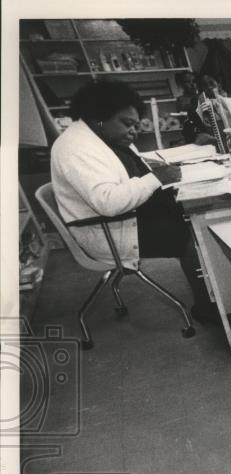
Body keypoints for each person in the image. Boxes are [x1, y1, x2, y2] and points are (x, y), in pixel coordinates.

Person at [50, 80, 215, 323]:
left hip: (126, 218)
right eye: (127, 124)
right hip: (107, 230)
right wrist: (156, 178)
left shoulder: (101, 136)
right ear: (99, 117)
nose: (133, 132)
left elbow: (136, 168)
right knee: (193, 232)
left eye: (136, 125)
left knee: (194, 212)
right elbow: (108, 202)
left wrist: (181, 155)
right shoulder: (76, 148)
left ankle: (218, 294)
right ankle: (210, 307)